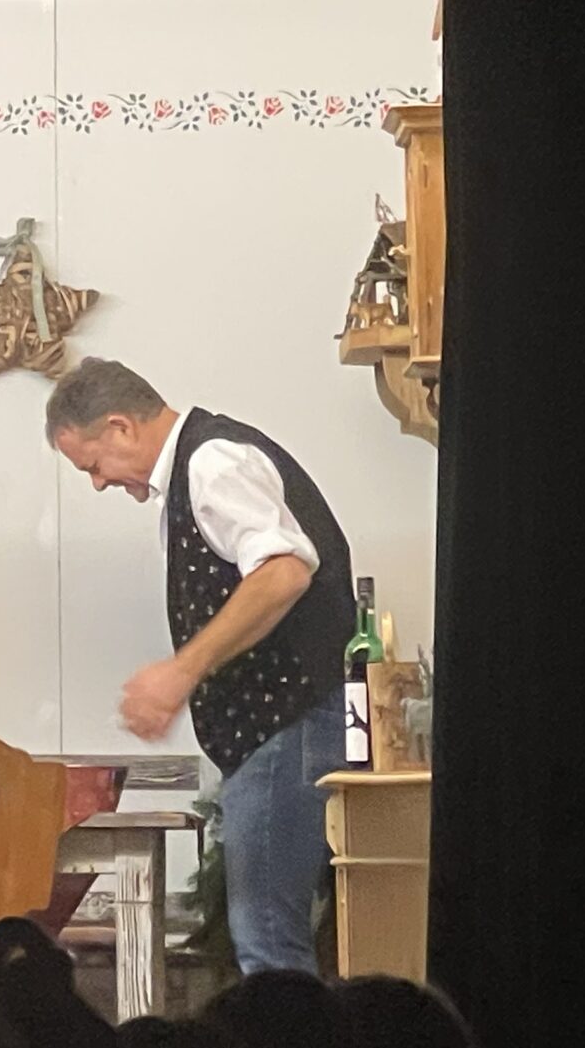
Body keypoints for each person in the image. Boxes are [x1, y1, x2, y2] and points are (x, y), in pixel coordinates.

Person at [45, 357, 355, 975]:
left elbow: (284, 571)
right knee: (273, 934)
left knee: (268, 941)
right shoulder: (200, 464)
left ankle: (290, 1040)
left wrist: (182, 671)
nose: (98, 484)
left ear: (120, 427)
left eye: (93, 466)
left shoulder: (213, 462)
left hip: (290, 724)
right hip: (279, 729)